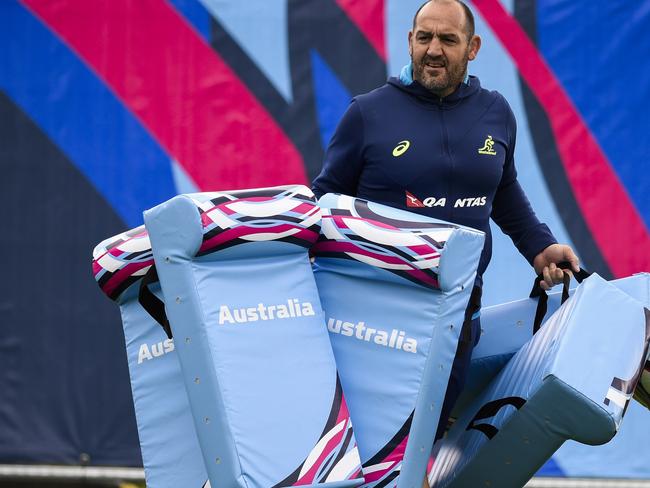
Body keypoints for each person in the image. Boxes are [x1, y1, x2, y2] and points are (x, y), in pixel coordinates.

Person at [312, 0, 579, 476]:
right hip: (373, 322)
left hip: (457, 317)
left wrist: (541, 248)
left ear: (472, 48)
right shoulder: (368, 114)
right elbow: (323, 207)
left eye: (448, 40)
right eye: (423, 38)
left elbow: (503, 191)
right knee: (364, 452)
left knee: (424, 445)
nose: (433, 51)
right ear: (410, 41)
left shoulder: (496, 113)